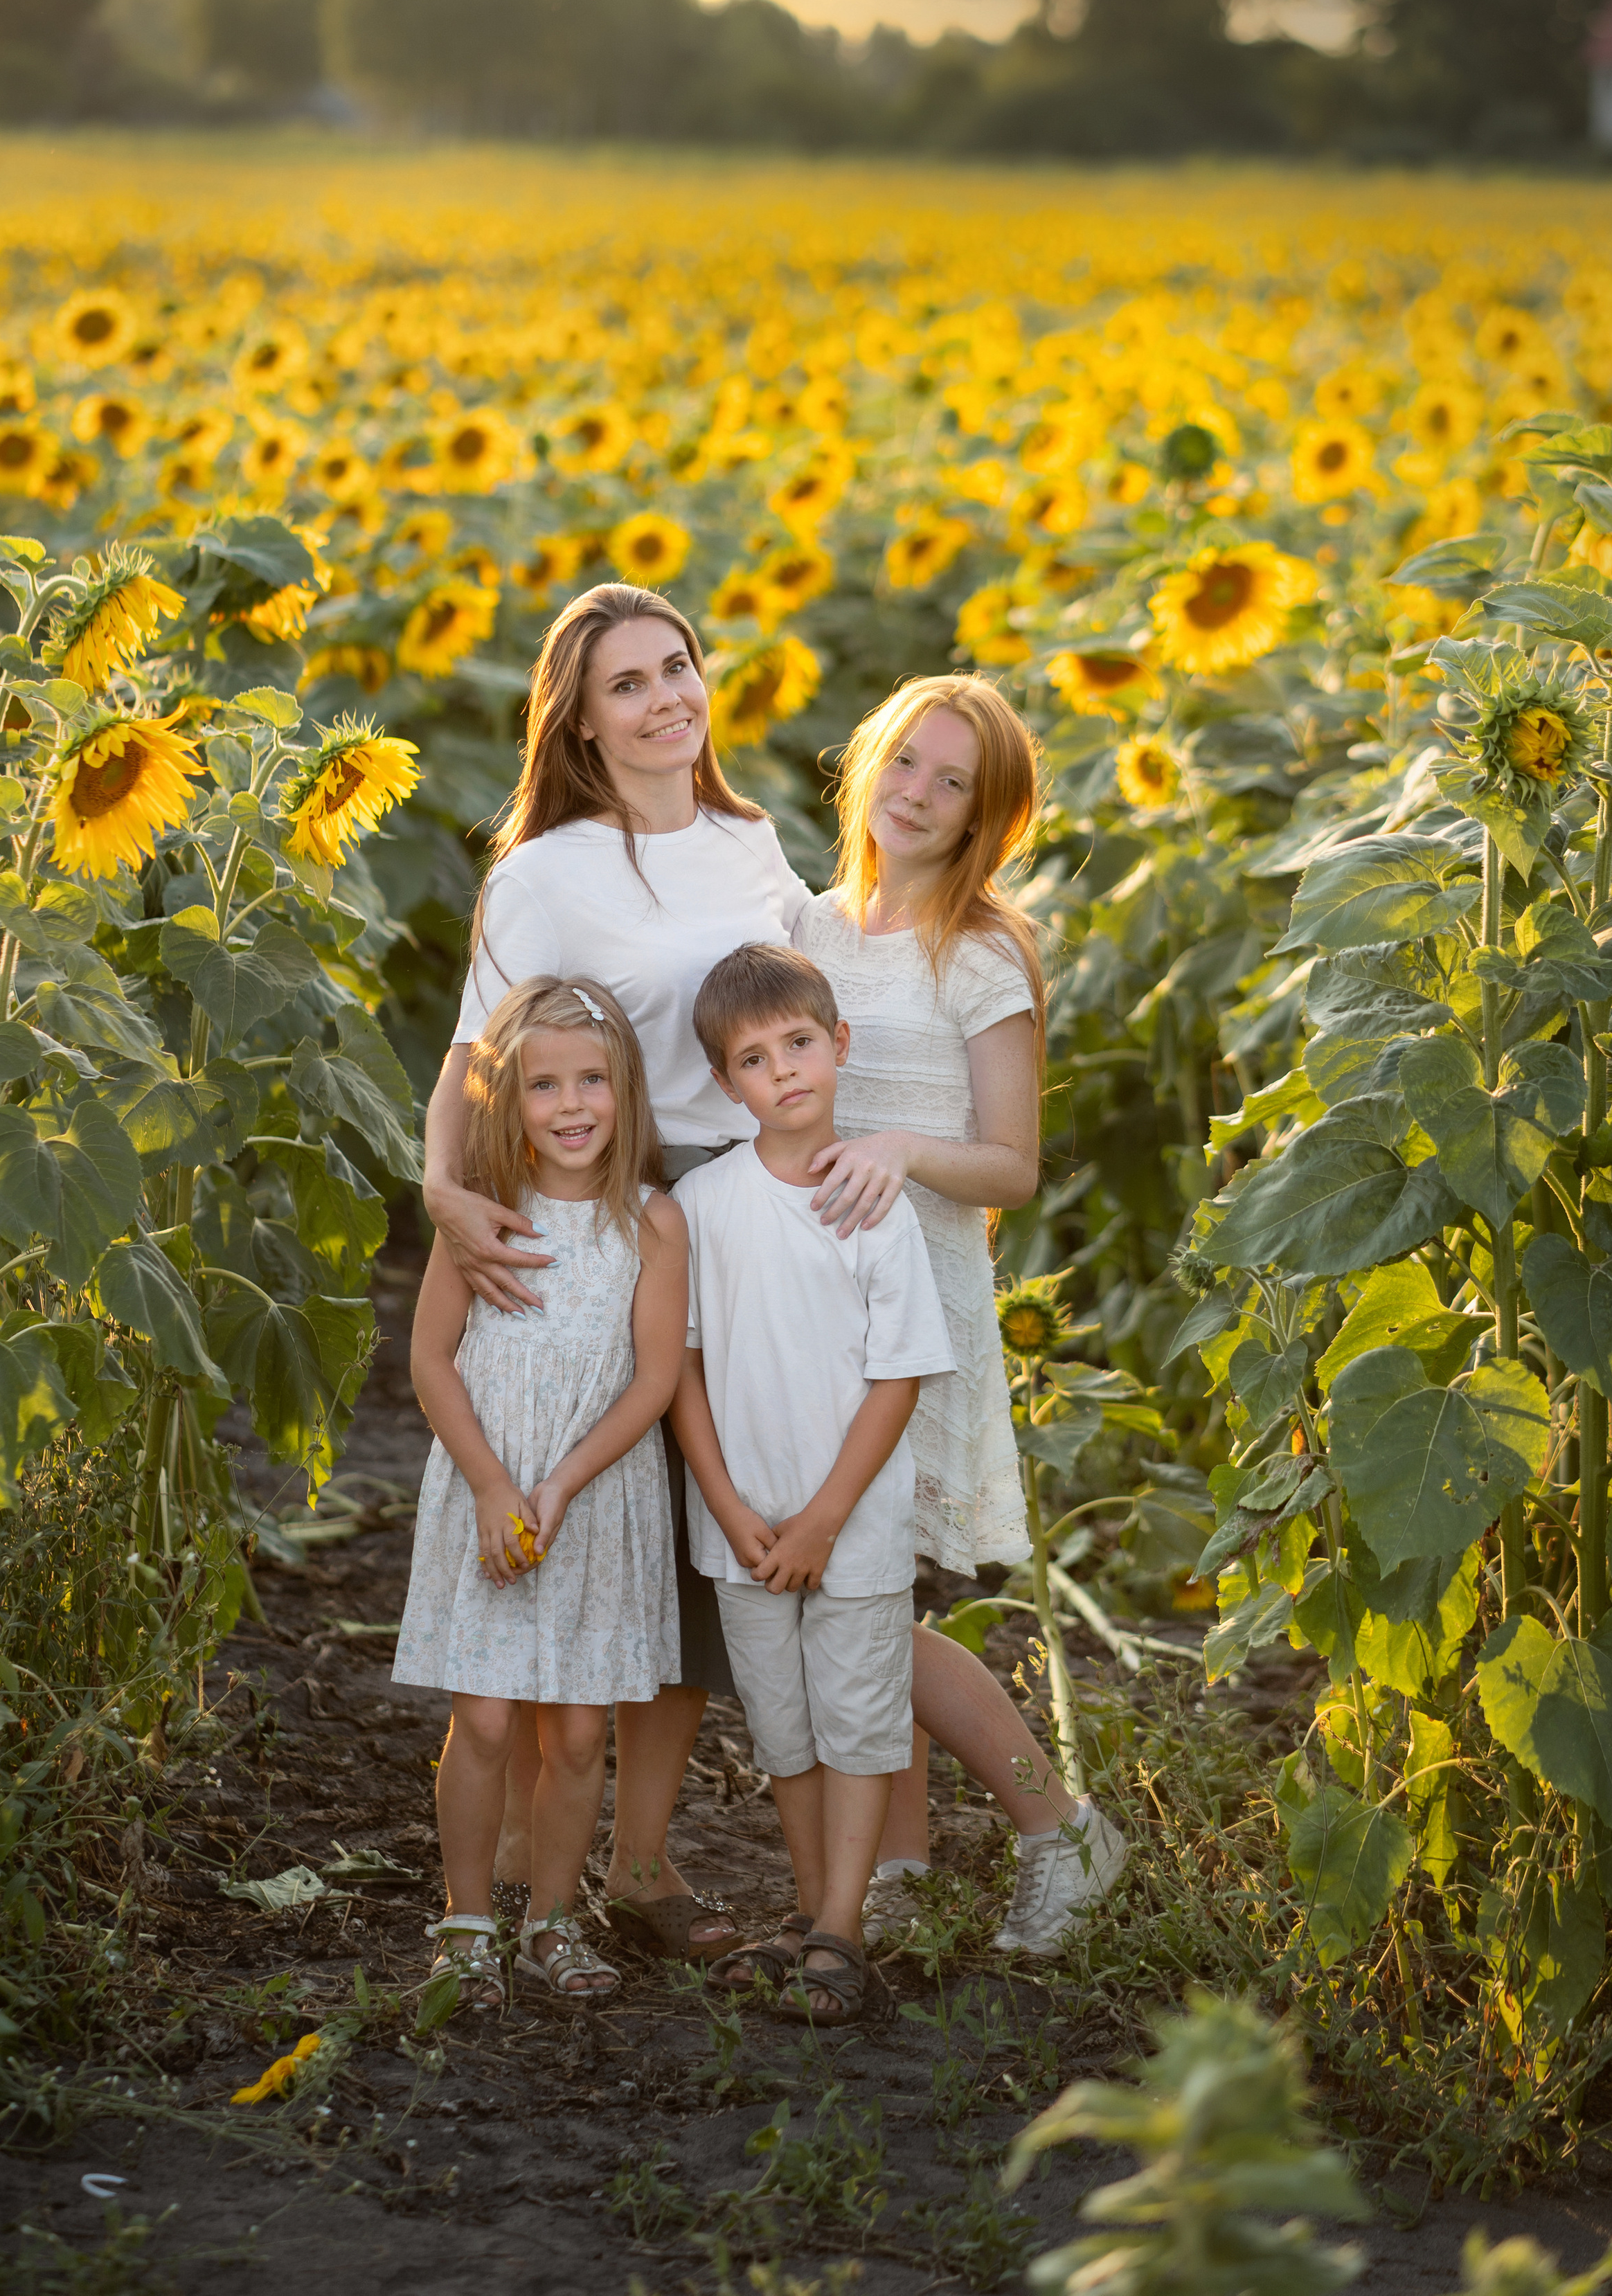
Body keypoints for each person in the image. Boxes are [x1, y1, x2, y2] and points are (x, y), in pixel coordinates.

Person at [421, 584, 886, 1963]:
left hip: (734, 1211)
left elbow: (806, 1008)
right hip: (598, 1203)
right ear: (577, 720)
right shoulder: (544, 872)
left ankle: (637, 1861)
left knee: (679, 1545)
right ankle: (510, 1859)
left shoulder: (750, 845)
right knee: (565, 1508)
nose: (663, 698)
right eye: (625, 683)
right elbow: (471, 1058)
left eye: (675, 667)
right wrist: (446, 1194)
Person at [795, 674, 1127, 1957]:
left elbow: (1011, 1167)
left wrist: (898, 1143)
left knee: (869, 1604)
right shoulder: (811, 927)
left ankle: (1063, 1831)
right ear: (868, 760)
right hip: (805, 1300)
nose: (920, 796)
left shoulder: (981, 954)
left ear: (987, 818)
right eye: (908, 764)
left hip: (912, 1307)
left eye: (954, 785)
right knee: (861, 1592)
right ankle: (910, 1874)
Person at [669, 943, 955, 2025]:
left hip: (853, 1528)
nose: (784, 1071)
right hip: (741, 1529)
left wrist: (826, 1518)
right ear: (724, 1083)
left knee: (861, 1725)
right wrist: (734, 1510)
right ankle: (807, 1909)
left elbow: (899, 1377)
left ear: (840, 1047)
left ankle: (844, 1925)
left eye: (800, 1044)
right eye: (754, 1057)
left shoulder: (869, 1203)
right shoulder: (703, 1204)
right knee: (784, 1734)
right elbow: (682, 1370)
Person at [394, 976, 688, 2007]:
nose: (571, 1106)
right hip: (490, 1488)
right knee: (482, 1721)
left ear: (626, 1089)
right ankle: (467, 1921)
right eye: (543, 1085)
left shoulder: (653, 1224)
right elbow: (432, 1362)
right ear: (505, 1101)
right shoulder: (482, 1220)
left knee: (574, 1735)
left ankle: (553, 1923)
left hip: (595, 1497)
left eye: (592, 1080)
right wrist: (491, 1484)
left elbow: (655, 1379)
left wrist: (561, 1483)